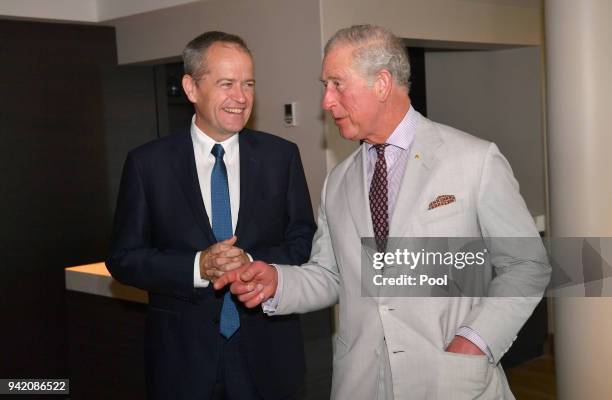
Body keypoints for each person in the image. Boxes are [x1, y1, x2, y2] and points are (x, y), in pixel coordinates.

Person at [215, 25, 551, 399]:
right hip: (362, 381)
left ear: (382, 84)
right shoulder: (338, 182)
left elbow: (526, 265)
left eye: (337, 84)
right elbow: (331, 274)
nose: (326, 101)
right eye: (325, 85)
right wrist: (278, 282)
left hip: (451, 380)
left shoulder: (474, 160)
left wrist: (474, 342)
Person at [106, 31, 316, 400]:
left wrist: (251, 261)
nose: (241, 97)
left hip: (268, 356)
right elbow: (124, 259)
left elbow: (303, 241)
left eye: (248, 84)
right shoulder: (148, 164)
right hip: (182, 360)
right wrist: (197, 267)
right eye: (227, 84)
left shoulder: (280, 157)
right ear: (191, 87)